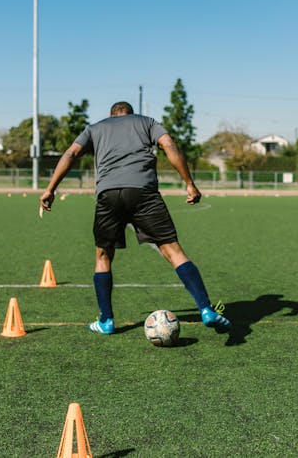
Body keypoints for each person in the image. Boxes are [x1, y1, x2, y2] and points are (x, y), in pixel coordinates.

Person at [39, 101, 231, 335]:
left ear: (111, 116)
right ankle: (206, 309)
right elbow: (168, 143)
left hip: (108, 194)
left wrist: (51, 189)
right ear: (131, 114)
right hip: (144, 193)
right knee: (173, 250)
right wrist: (189, 184)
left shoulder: (95, 128)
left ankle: (106, 321)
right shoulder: (147, 122)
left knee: (103, 255)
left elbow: (71, 153)